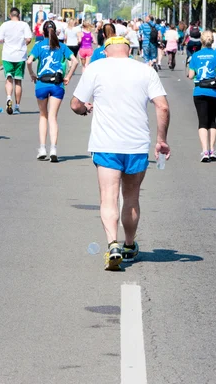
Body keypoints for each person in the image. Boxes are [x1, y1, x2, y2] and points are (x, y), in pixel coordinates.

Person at [70, 36, 170, 271]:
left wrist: (86, 109)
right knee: (132, 197)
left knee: (108, 196)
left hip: (106, 144)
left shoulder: (95, 68)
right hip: (136, 145)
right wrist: (161, 140)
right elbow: (162, 106)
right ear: (129, 51)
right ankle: (128, 245)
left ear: (105, 51)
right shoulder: (145, 71)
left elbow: (75, 104)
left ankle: (112, 245)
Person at [27, 20, 78, 162]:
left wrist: (32, 74)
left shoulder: (38, 46)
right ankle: (53, 149)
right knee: (53, 117)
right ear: (55, 31)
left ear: (42, 32)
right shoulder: (62, 46)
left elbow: (29, 61)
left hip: (41, 83)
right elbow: (75, 61)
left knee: (43, 116)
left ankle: (42, 148)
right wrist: (68, 76)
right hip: (57, 84)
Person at [188, 30, 216, 162]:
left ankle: (204, 151)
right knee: (212, 121)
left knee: (202, 122)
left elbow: (191, 75)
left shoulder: (195, 56)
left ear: (201, 41)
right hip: (214, 92)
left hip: (199, 92)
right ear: (212, 41)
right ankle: (212, 150)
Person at [0, 7, 32, 115]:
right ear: (19, 15)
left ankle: (8, 97)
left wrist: (7, 41)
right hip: (20, 56)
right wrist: (23, 44)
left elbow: (0, 39)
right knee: (18, 81)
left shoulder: (5, 25)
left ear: (10, 15)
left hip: (7, 56)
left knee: (8, 78)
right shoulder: (24, 25)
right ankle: (17, 106)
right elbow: (29, 38)